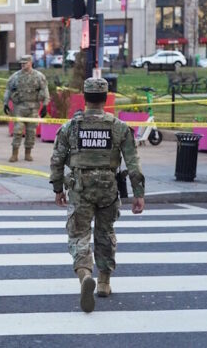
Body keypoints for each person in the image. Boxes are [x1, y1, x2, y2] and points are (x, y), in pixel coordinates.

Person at [50, 78, 145, 313]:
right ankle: (103, 282)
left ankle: (84, 275)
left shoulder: (71, 127)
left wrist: (57, 188)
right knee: (105, 232)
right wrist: (138, 194)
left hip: (80, 187)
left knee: (79, 234)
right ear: (106, 98)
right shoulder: (119, 127)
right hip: (108, 188)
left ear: (84, 97)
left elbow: (57, 160)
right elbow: (133, 163)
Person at [3, 54, 50, 162]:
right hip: (19, 107)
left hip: (33, 108)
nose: (23, 65)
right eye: (22, 63)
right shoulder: (15, 76)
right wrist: (5, 103)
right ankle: (14, 153)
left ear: (30, 63)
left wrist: (45, 105)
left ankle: (28, 153)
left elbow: (44, 90)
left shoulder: (39, 76)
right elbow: (8, 90)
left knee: (31, 132)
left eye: (25, 63)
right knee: (17, 131)